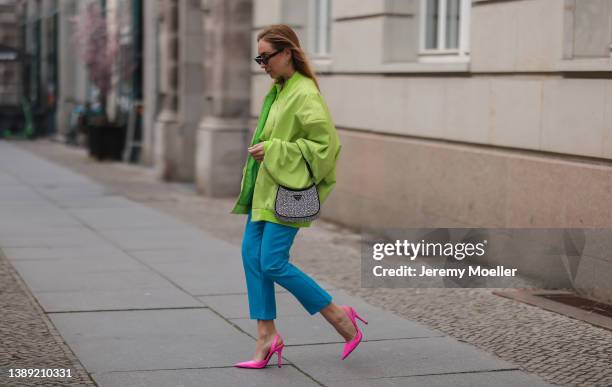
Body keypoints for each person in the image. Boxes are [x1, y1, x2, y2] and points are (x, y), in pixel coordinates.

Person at [230, 24, 368, 369]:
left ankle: (339, 315)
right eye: (258, 58)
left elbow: (326, 147)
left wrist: (274, 149)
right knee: (252, 256)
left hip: (288, 193)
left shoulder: (304, 93)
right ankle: (266, 336)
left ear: (288, 52)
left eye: (267, 57)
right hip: (266, 190)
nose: (262, 64)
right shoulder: (280, 89)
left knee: (273, 262)